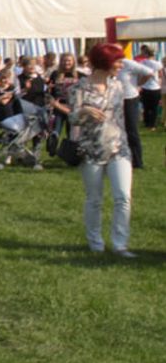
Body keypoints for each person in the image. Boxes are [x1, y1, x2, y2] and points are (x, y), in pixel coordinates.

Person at [70, 43, 135, 257]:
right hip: (91, 149)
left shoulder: (118, 86)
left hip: (119, 147)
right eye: (117, 60)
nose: (121, 64)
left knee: (123, 196)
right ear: (105, 62)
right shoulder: (79, 87)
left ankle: (120, 244)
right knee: (94, 199)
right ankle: (95, 243)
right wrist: (84, 110)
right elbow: (72, 118)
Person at [117, 56, 154, 169]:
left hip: (129, 98)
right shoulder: (108, 64)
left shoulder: (129, 64)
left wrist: (138, 84)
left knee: (131, 130)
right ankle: (118, 160)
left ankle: (137, 162)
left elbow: (149, 72)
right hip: (114, 99)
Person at [48, 53, 81, 141]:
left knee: (71, 132)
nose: (66, 63)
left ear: (73, 62)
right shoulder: (55, 74)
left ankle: (69, 146)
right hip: (59, 104)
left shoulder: (79, 75)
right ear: (61, 62)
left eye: (69, 60)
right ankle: (54, 139)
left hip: (73, 106)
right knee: (57, 127)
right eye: (64, 60)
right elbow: (50, 89)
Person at [136, 45, 162, 130]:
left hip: (145, 87)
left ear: (146, 53)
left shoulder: (142, 63)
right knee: (154, 107)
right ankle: (152, 125)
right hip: (155, 87)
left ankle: (146, 122)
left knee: (146, 106)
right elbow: (160, 75)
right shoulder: (158, 63)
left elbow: (139, 74)